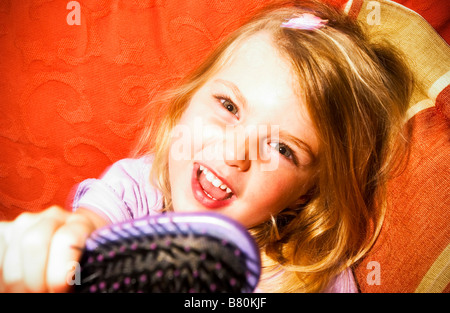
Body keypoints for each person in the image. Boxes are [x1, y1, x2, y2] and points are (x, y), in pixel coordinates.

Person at [0, 0, 413, 293]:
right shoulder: (141, 187)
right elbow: (93, 224)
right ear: (187, 101)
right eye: (228, 105)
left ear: (308, 193)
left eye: (283, 149)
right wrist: (69, 244)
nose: (236, 151)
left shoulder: (308, 277)